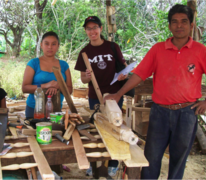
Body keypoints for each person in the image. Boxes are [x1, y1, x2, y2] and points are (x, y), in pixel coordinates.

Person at [104, 4, 206, 180]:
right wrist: (119, 94)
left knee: (179, 158)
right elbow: (139, 74)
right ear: (169, 26)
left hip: (187, 112)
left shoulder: (200, 50)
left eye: (184, 22)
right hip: (160, 112)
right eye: (174, 22)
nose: (179, 26)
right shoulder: (158, 49)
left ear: (191, 25)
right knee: (151, 156)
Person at [74, 16, 128, 177]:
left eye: (95, 27)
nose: (92, 31)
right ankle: (92, 163)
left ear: (101, 28)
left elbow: (124, 69)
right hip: (94, 96)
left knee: (114, 126)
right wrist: (88, 76)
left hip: (114, 94)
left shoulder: (113, 47)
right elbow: (84, 79)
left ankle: (112, 163)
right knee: (95, 128)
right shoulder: (84, 52)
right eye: (89, 28)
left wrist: (123, 75)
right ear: (85, 31)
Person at [22, 31, 73, 118]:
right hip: (35, 110)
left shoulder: (64, 65)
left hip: (56, 110)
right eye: (46, 44)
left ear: (58, 46)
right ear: (41, 45)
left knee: (55, 131)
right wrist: (46, 85)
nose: (50, 47)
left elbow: (70, 90)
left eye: (53, 44)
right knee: (35, 131)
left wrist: (59, 86)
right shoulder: (33, 63)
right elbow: (25, 88)